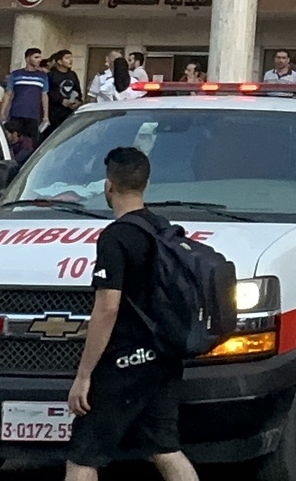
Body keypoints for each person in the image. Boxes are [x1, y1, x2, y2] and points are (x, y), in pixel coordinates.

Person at [65, 147, 198, 481]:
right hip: (163, 357)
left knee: (83, 457)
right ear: (146, 184)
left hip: (124, 363)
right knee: (165, 448)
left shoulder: (116, 237)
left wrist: (84, 375)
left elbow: (108, 308)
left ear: (109, 186)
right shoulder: (163, 230)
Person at [2, 48, 50, 141]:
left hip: (34, 115)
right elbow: (8, 93)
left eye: (40, 57)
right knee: (13, 141)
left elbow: (44, 95)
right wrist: (2, 112)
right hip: (16, 113)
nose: (39, 60)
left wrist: (46, 115)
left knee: (31, 143)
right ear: (28, 59)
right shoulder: (16, 74)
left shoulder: (42, 76)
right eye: (36, 57)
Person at [45, 50, 83, 132]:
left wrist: (78, 101)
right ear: (59, 61)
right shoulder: (51, 75)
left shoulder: (72, 74)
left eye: (71, 57)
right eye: (67, 58)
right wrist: (61, 100)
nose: (71, 60)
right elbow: (48, 92)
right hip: (55, 113)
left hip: (70, 112)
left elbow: (77, 90)